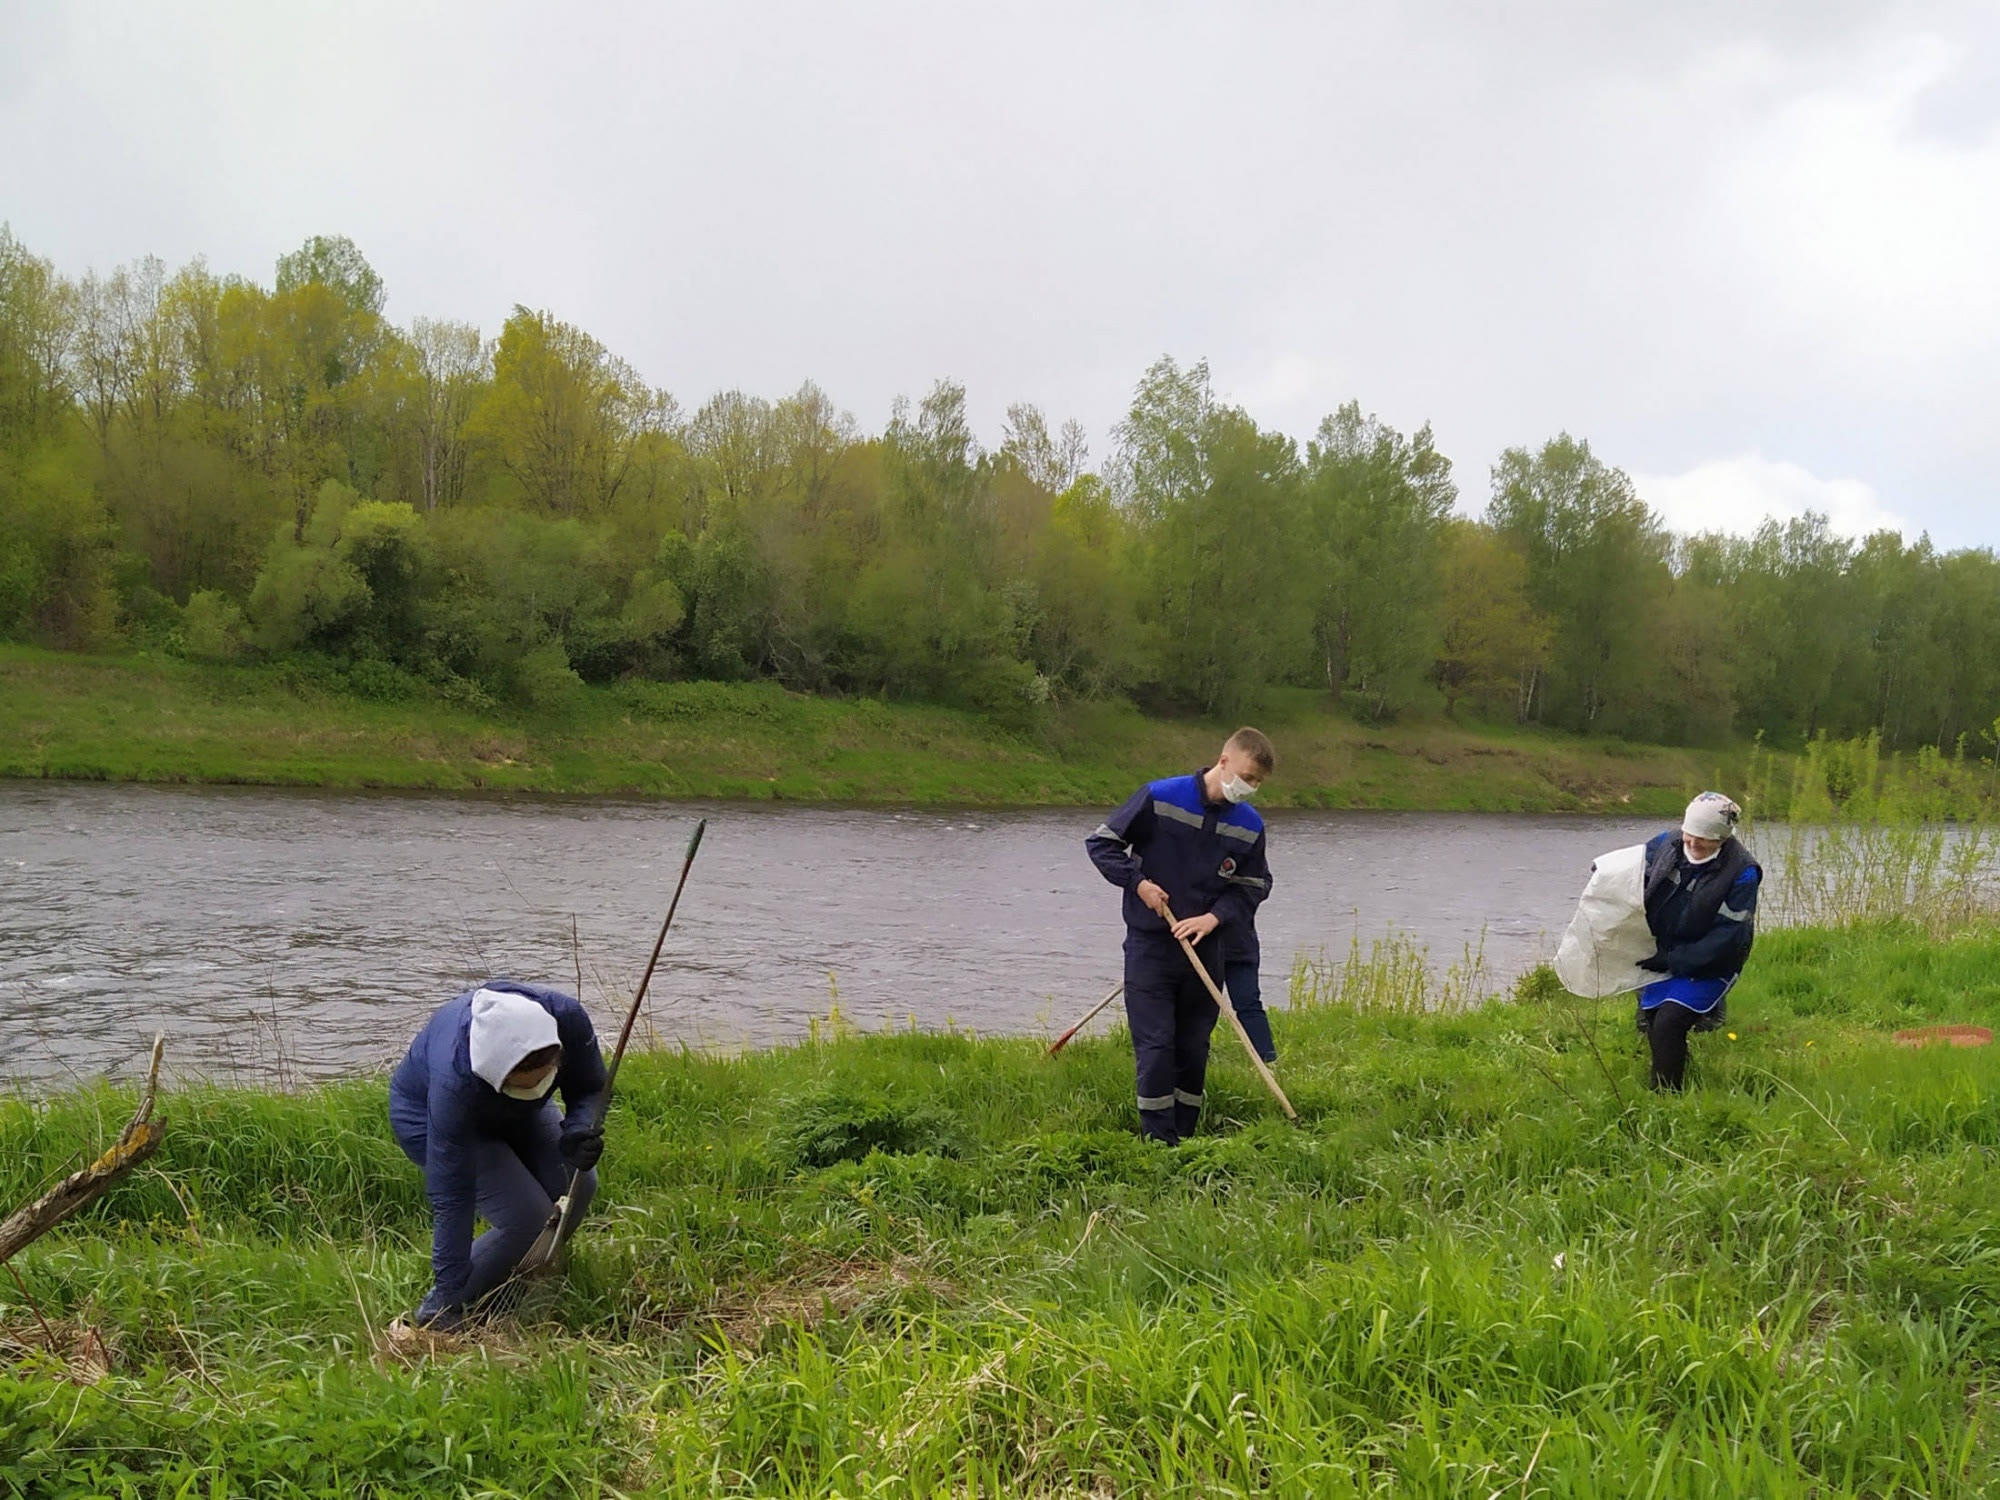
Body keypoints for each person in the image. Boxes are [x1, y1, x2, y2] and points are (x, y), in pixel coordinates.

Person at [1086, 728, 1275, 1144]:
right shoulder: (1160, 797)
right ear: (1223, 761)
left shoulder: (1250, 825)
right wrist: (1138, 884)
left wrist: (1215, 917)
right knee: (1156, 1046)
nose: (1251, 788)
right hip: (1151, 946)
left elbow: (1254, 886)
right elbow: (1102, 845)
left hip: (1207, 949)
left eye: (1258, 782)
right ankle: (1158, 1142)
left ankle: (1185, 1137)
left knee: (1193, 1048)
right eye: (1247, 776)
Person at [389, 982, 608, 1329]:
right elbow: (453, 1198)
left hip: (522, 1112)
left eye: (542, 1079)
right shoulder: (453, 1083)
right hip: (428, 1119)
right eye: (521, 1085)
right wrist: (449, 1288)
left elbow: (591, 1086)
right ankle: (439, 1310)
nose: (535, 1087)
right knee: (527, 1219)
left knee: (579, 1185)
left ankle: (524, 1275)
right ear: (496, 1076)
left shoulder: (565, 1018)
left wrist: (579, 1129)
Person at [1636, 792, 1761, 1091]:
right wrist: (1605, 876)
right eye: (1689, 836)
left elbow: (1729, 938)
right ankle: (1677, 1067)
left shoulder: (1743, 872)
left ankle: (1665, 1099)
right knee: (1652, 1020)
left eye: (1703, 840)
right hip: (1665, 949)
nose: (1692, 845)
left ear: (1722, 839)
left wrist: (1674, 961)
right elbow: (1632, 868)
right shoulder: (1668, 841)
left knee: (1669, 1022)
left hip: (1714, 962)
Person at [1224, 870, 1278, 1065]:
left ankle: (1268, 1060)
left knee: (1248, 1003)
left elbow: (1263, 883)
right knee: (1195, 1007)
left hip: (1239, 943)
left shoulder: (1245, 851)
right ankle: (1191, 1061)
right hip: (1197, 943)